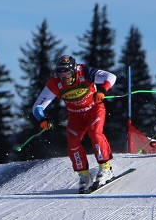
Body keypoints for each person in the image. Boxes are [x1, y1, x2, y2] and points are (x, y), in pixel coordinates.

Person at [32, 55, 116, 193]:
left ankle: (105, 168)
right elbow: (37, 107)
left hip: (94, 109)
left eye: (68, 73)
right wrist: (42, 120)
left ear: (74, 71)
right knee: (73, 142)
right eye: (61, 74)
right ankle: (84, 175)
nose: (64, 78)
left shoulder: (84, 72)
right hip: (75, 115)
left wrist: (102, 90)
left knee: (95, 133)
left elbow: (111, 77)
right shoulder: (55, 82)